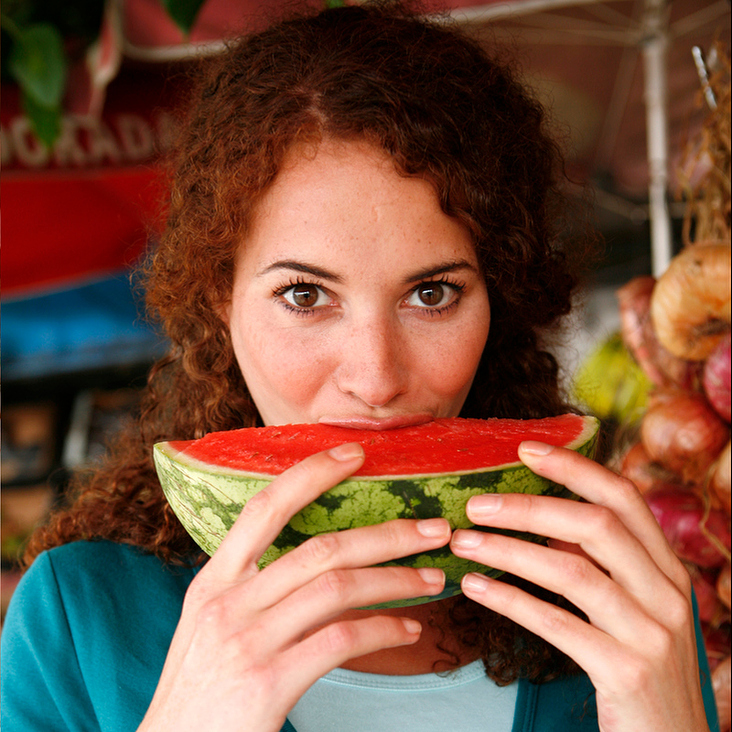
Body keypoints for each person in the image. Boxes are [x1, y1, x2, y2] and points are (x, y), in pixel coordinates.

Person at [1, 3, 719, 731]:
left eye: (432, 294)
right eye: (304, 295)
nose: (376, 378)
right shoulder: (81, 616)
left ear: (497, 297)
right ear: (221, 300)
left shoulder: (623, 603)